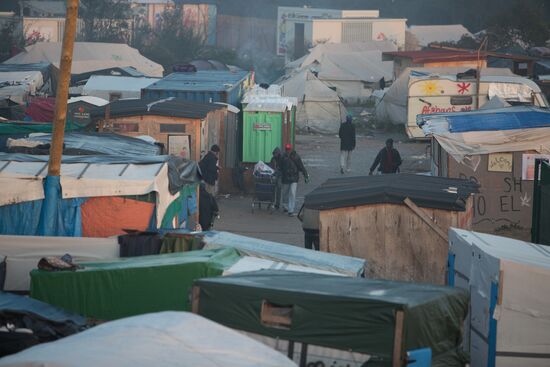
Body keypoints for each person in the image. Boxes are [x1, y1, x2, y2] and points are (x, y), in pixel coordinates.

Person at [281, 144, 309, 216]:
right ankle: (285, 205)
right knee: (285, 193)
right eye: (287, 149)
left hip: (294, 178)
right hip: (285, 178)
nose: (288, 151)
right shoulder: (283, 157)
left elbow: (301, 166)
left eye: (289, 149)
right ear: (285, 149)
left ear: (291, 149)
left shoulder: (296, 157)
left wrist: (305, 175)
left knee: (292, 193)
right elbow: (279, 167)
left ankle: (291, 210)